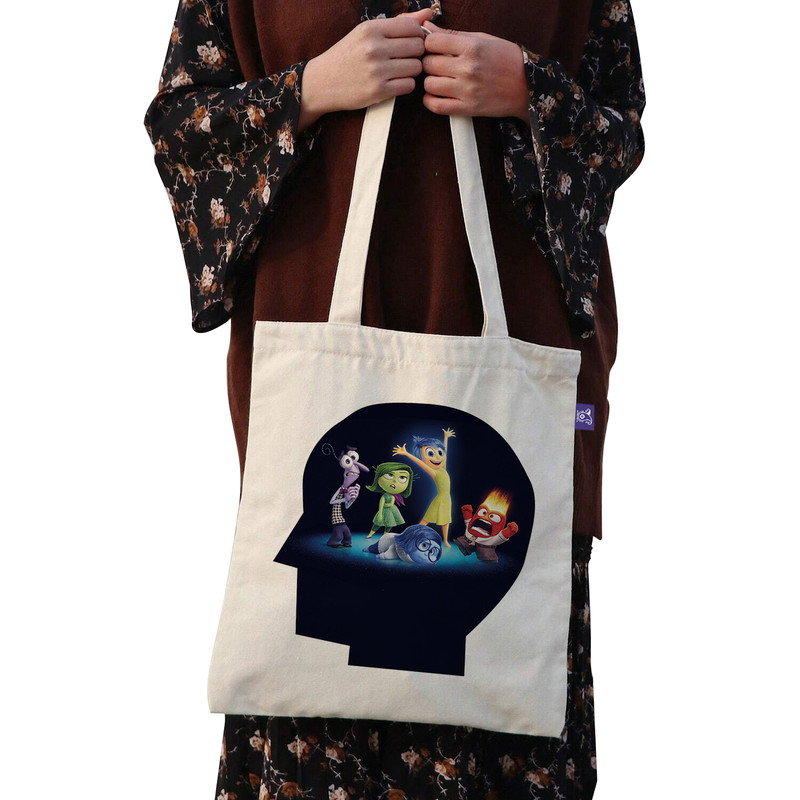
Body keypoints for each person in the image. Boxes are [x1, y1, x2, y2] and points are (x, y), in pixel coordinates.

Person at [143, 1, 646, 797]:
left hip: (519, 385)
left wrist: (530, 91)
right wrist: (312, 88)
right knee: (312, 682)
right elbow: (181, 127)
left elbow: (620, 127)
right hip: (320, 382)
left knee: (508, 668)